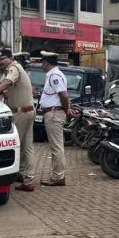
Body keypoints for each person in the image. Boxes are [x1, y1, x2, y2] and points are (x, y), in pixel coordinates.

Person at [0, 48, 35, 191]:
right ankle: (27, 177)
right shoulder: (14, 69)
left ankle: (20, 177)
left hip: (21, 112)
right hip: (27, 111)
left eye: (2, 59)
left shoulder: (14, 68)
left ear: (10, 58)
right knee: (27, 147)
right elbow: (6, 89)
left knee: (15, 146)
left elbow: (7, 82)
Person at [38, 51, 70, 187]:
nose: (42, 65)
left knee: (56, 147)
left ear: (46, 63)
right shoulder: (53, 74)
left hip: (54, 113)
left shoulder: (54, 75)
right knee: (56, 146)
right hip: (53, 112)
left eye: (42, 62)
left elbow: (64, 95)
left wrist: (66, 110)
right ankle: (57, 175)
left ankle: (58, 177)